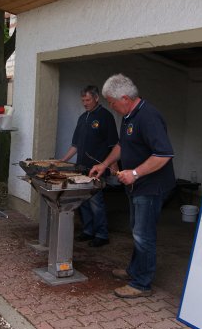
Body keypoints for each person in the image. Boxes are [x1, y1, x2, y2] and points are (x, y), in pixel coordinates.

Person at [89, 74, 175, 299]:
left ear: (125, 98)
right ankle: (134, 271)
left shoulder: (148, 117)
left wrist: (135, 173)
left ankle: (141, 284)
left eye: (112, 102)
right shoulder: (129, 116)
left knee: (143, 234)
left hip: (151, 186)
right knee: (137, 229)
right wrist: (105, 164)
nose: (111, 106)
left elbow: (164, 154)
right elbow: (121, 145)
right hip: (137, 186)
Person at [61, 85, 118, 247]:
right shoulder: (82, 118)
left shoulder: (106, 117)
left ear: (96, 98)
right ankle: (88, 231)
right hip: (81, 167)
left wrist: (113, 164)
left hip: (98, 168)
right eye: (83, 100)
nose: (85, 103)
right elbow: (75, 145)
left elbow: (114, 143)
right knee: (83, 201)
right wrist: (63, 160)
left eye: (88, 100)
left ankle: (102, 234)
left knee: (96, 201)